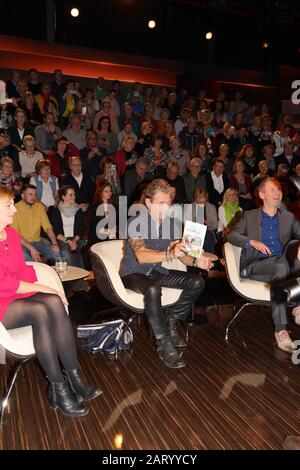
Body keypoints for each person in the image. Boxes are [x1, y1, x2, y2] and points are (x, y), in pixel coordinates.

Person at [0, 186, 101, 417]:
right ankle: (59, 387)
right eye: (7, 206)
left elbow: (21, 271)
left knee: (54, 302)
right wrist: (41, 288)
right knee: (40, 311)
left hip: (16, 294)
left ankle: (74, 377)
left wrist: (47, 291)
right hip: (2, 302)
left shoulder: (11, 234)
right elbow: (5, 283)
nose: (13, 210)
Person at [119, 179, 213, 369]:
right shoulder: (135, 222)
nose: (165, 208)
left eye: (168, 204)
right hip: (133, 273)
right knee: (153, 289)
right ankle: (163, 343)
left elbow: (181, 254)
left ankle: (171, 320)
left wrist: (196, 260)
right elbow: (141, 256)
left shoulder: (171, 225)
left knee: (197, 282)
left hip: (157, 271)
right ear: (148, 203)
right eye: (161, 203)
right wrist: (170, 253)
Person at [226, 177, 300, 352]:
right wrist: (250, 241)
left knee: (283, 268)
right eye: (273, 190)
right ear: (261, 194)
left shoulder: (288, 217)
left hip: (280, 268)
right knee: (283, 267)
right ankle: (283, 327)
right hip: (255, 265)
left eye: (279, 190)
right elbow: (231, 236)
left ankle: (294, 312)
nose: (278, 193)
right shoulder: (248, 216)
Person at [11, 184, 61, 263]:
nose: (33, 197)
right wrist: (31, 248)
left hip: (38, 240)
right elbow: (15, 234)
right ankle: (32, 274)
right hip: (22, 242)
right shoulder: (14, 209)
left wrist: (55, 243)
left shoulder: (39, 207)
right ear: (23, 195)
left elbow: (48, 227)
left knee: (56, 254)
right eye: (30, 194)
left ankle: (57, 275)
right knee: (26, 257)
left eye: (35, 194)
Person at [49, 186, 87, 270]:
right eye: (70, 195)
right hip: (62, 239)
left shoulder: (78, 210)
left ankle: (81, 276)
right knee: (65, 252)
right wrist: (69, 241)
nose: (73, 197)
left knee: (83, 249)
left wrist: (74, 241)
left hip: (76, 238)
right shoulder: (56, 211)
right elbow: (56, 232)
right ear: (63, 197)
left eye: (74, 194)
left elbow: (80, 230)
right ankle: (72, 279)